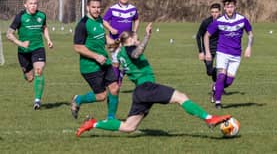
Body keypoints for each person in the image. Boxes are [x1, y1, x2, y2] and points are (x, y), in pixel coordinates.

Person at [75, 23, 231, 137]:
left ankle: (92, 124)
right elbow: (136, 53)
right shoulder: (128, 49)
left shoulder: (120, 53)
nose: (137, 40)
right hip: (147, 87)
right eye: (136, 38)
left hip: (140, 92)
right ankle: (209, 118)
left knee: (129, 127)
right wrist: (147, 37)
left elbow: (123, 68)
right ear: (129, 39)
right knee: (181, 97)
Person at [71, 0, 120, 120]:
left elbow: (103, 38)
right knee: (101, 96)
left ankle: (111, 119)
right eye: (93, 7)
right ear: (88, 8)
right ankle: (78, 99)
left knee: (115, 88)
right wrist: (96, 56)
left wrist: (115, 43)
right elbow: (77, 47)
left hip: (104, 62)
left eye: (98, 7)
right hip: (90, 66)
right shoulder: (83, 25)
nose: (96, 10)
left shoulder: (99, 20)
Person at [204, 0, 254, 109]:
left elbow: (250, 34)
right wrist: (207, 52)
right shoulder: (219, 22)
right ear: (224, 8)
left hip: (236, 55)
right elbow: (206, 36)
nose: (229, 9)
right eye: (227, 7)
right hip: (222, 52)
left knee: (229, 82)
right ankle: (218, 102)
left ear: (235, 6)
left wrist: (249, 47)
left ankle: (215, 88)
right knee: (221, 77)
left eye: (231, 6)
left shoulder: (242, 19)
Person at [6, 0, 53, 110]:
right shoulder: (20, 17)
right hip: (23, 52)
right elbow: (9, 34)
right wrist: (20, 43)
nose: (33, 6)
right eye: (31, 3)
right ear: (25, 5)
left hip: (38, 49)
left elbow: (44, 27)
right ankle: (26, 74)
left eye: (35, 3)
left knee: (39, 71)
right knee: (30, 78)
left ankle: (37, 101)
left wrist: (48, 40)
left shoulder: (41, 15)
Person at [103, 0, 139, 86]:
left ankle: (122, 73)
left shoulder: (133, 9)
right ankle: (116, 82)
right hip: (115, 40)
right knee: (116, 62)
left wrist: (134, 32)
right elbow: (104, 21)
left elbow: (136, 20)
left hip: (128, 40)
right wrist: (110, 29)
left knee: (129, 61)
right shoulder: (112, 9)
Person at [196, 3, 221, 83]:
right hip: (208, 49)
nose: (214, 14)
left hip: (220, 48)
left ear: (220, 12)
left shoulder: (224, 21)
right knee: (209, 72)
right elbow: (198, 36)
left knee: (221, 70)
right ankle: (215, 71)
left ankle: (218, 88)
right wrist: (201, 52)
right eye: (212, 12)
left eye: (216, 12)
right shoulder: (206, 22)